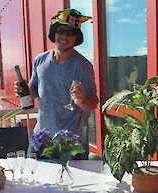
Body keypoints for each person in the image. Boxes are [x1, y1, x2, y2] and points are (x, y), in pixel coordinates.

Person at [14, 8, 98, 159]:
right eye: (60, 31)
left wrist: (82, 100)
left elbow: (92, 103)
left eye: (70, 33)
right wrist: (23, 89)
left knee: (74, 182)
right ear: (54, 33)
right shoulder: (40, 60)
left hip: (70, 142)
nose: (64, 36)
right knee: (34, 180)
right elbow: (33, 91)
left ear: (76, 38)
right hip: (41, 138)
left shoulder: (83, 66)